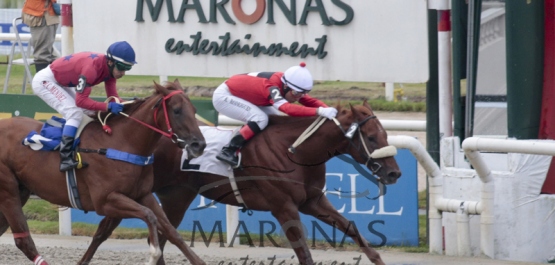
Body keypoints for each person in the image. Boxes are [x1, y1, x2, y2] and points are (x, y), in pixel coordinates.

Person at [31, 41, 137, 172]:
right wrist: (107, 107)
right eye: (121, 67)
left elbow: (113, 98)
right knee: (74, 113)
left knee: (88, 111)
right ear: (110, 62)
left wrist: (130, 104)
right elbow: (81, 102)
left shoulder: (110, 71)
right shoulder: (91, 69)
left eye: (128, 68)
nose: (123, 73)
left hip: (61, 82)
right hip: (45, 81)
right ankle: (65, 158)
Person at [212, 62, 338, 168]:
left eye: (302, 93)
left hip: (248, 96)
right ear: (285, 86)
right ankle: (228, 150)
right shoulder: (271, 87)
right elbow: (287, 109)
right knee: (260, 119)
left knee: (277, 119)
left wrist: (328, 110)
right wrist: (319, 111)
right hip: (226, 96)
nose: (298, 97)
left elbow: (309, 101)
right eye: (295, 93)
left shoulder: (289, 85)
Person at [22, 0, 59, 72]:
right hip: (42, 15)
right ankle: (42, 81)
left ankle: (43, 81)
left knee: (45, 54)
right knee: (43, 54)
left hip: (43, 14)